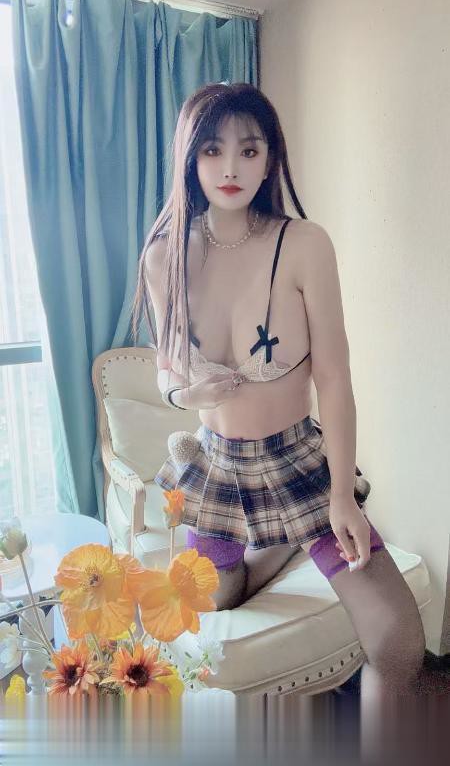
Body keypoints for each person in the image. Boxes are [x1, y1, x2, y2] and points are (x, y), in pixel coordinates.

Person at [130, 82, 425, 698]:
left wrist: (341, 496)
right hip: (216, 469)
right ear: (190, 158)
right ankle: (279, 544)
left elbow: (334, 377)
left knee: (397, 639)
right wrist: (185, 398)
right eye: (212, 150)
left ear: (271, 159)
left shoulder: (304, 245)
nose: (231, 169)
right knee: (215, 597)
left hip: (299, 465)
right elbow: (167, 368)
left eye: (249, 149)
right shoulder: (164, 257)